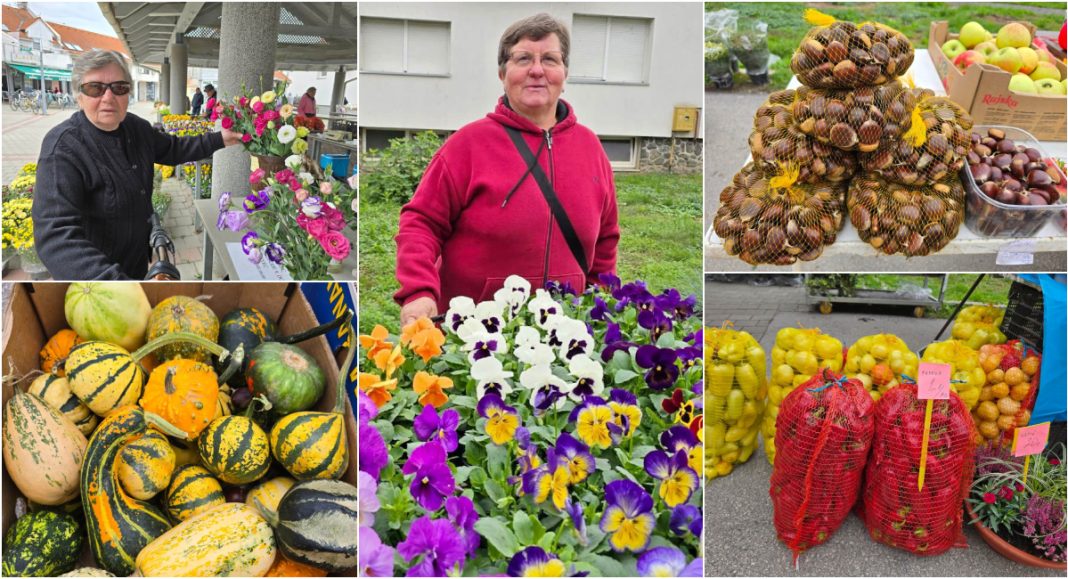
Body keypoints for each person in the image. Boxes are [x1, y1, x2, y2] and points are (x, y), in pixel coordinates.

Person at [394, 13, 619, 325]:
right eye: (523, 58)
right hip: (474, 336)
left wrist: (600, 302)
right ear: (503, 73)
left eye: (550, 59)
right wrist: (418, 291)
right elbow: (421, 224)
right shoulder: (467, 145)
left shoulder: (590, 148)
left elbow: (606, 239)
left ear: (564, 73)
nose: (537, 70)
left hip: (562, 336)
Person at [33, 49, 242, 280]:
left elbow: (173, 148)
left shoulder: (136, 127)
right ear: (78, 95)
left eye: (119, 87)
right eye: (95, 88)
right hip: (97, 280)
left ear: (128, 93)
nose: (108, 97)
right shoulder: (63, 148)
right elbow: (56, 236)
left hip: (137, 262)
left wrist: (220, 138)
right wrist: (121, 286)